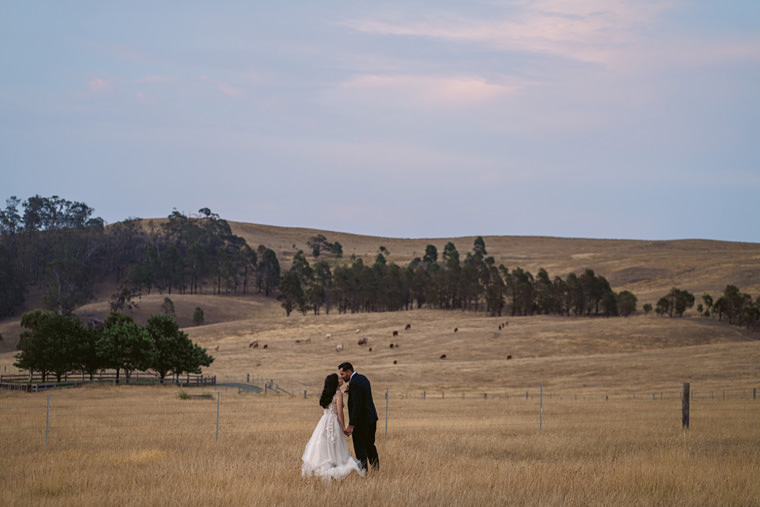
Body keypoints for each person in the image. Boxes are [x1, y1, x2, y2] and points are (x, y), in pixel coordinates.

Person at [301, 373, 365, 480]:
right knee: (336, 446)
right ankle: (335, 468)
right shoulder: (338, 394)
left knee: (325, 445)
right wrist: (343, 427)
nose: (341, 379)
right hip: (333, 421)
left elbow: (324, 411)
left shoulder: (326, 394)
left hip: (324, 421)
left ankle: (326, 466)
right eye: (339, 378)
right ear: (335, 382)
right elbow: (340, 412)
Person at [338, 362, 379, 471]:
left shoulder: (355, 383)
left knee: (360, 447)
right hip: (371, 418)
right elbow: (362, 396)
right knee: (370, 445)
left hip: (361, 421)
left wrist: (352, 424)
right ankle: (376, 469)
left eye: (342, 374)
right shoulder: (362, 378)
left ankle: (363, 471)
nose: (342, 377)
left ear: (349, 371)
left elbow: (357, 406)